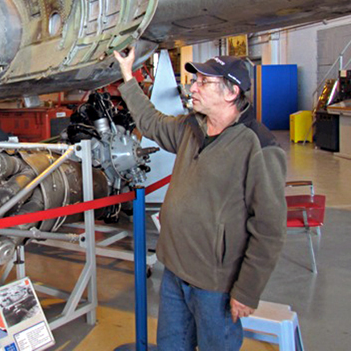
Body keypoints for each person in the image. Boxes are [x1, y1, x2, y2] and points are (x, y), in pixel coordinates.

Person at [113, 48, 287, 351]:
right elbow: (151, 122)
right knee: (171, 346)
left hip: (215, 283)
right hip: (175, 270)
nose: (192, 87)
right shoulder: (190, 128)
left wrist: (247, 290)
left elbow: (269, 227)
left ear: (231, 92)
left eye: (203, 82)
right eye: (194, 80)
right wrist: (128, 76)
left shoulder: (259, 146)